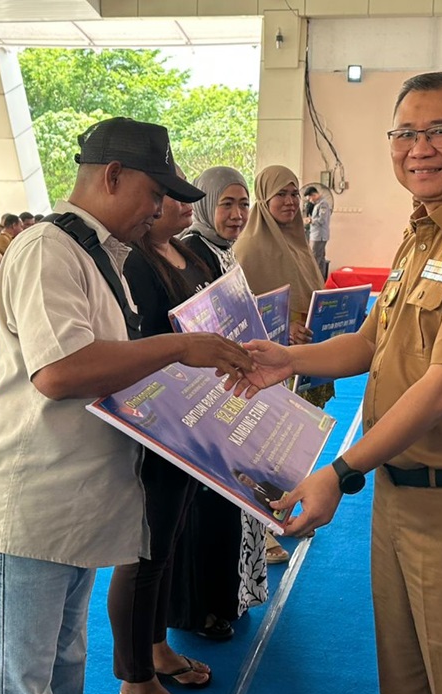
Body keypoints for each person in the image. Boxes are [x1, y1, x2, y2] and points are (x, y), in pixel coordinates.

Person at [228, 71, 442, 694]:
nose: (419, 148)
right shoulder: (424, 230)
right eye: (405, 133)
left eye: (440, 132)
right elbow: (374, 341)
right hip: (402, 497)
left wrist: (340, 472)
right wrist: (288, 359)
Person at [0, 117, 254, 694]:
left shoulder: (102, 255)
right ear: (113, 176)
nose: (159, 208)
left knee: (63, 675)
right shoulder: (47, 248)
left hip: (75, 501)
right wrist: (180, 348)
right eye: (154, 192)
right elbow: (60, 372)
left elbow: (110, 363)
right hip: (31, 503)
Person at [109, 171, 219, 694]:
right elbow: (142, 344)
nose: (179, 207)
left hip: (195, 416)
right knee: (144, 547)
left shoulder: (188, 257)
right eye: (167, 197)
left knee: (169, 537)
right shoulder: (133, 265)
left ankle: (155, 647)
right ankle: (133, 684)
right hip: (157, 417)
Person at [171, 165, 271, 638]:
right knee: (205, 510)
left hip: (230, 394)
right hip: (203, 402)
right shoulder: (191, 252)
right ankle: (201, 609)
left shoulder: (223, 253)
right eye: (226, 204)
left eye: (243, 204)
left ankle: (227, 598)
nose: (236, 214)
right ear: (205, 205)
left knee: (228, 502)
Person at [233, 165, 330, 561]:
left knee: (296, 446)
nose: (290, 201)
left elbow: (312, 294)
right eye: (281, 194)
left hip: (307, 362)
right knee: (268, 447)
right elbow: (242, 312)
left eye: (295, 192)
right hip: (270, 369)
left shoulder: (299, 242)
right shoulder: (249, 249)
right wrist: (286, 327)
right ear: (264, 199)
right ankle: (263, 529)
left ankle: (285, 514)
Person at [303, 184, 332, 278]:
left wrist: (310, 220)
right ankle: (320, 280)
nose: (310, 201)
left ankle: (315, 280)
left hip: (319, 236)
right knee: (321, 258)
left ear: (314, 195)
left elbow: (322, 220)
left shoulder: (323, 204)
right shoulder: (317, 205)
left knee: (315, 259)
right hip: (316, 234)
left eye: (310, 198)